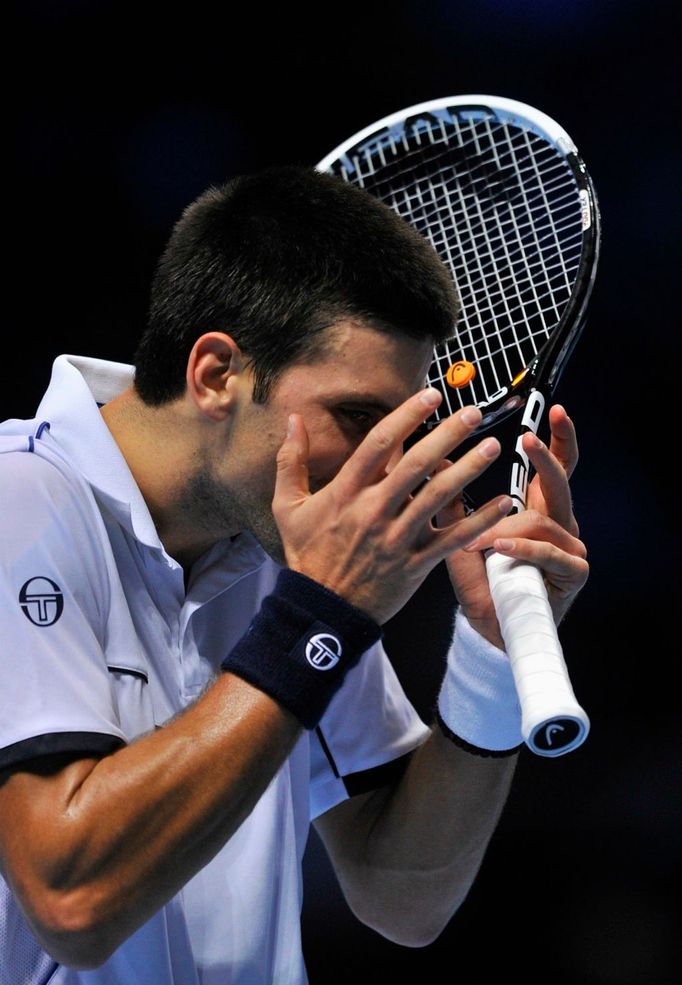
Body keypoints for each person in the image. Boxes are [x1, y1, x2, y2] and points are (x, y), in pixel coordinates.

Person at [0, 165, 588, 984]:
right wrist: (320, 613)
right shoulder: (18, 502)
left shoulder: (285, 549)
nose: (383, 470)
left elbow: (404, 895)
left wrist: (490, 659)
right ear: (215, 374)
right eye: (356, 417)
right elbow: (73, 900)